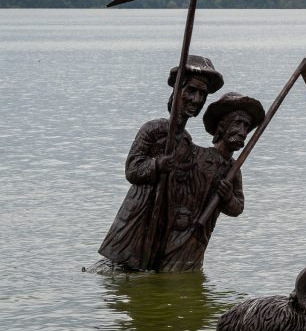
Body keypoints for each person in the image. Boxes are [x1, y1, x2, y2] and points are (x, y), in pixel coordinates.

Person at [96, 55, 224, 272]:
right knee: (125, 268)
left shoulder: (186, 141)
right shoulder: (153, 130)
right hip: (140, 215)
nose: (196, 99)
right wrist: (157, 165)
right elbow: (132, 169)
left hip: (165, 219)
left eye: (202, 94)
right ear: (177, 92)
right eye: (191, 91)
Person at [160, 92, 265, 272]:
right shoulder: (197, 156)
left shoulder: (234, 170)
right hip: (176, 234)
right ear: (222, 127)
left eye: (246, 127)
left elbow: (238, 208)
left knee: (188, 278)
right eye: (237, 124)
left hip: (200, 241)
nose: (242, 132)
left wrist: (228, 196)